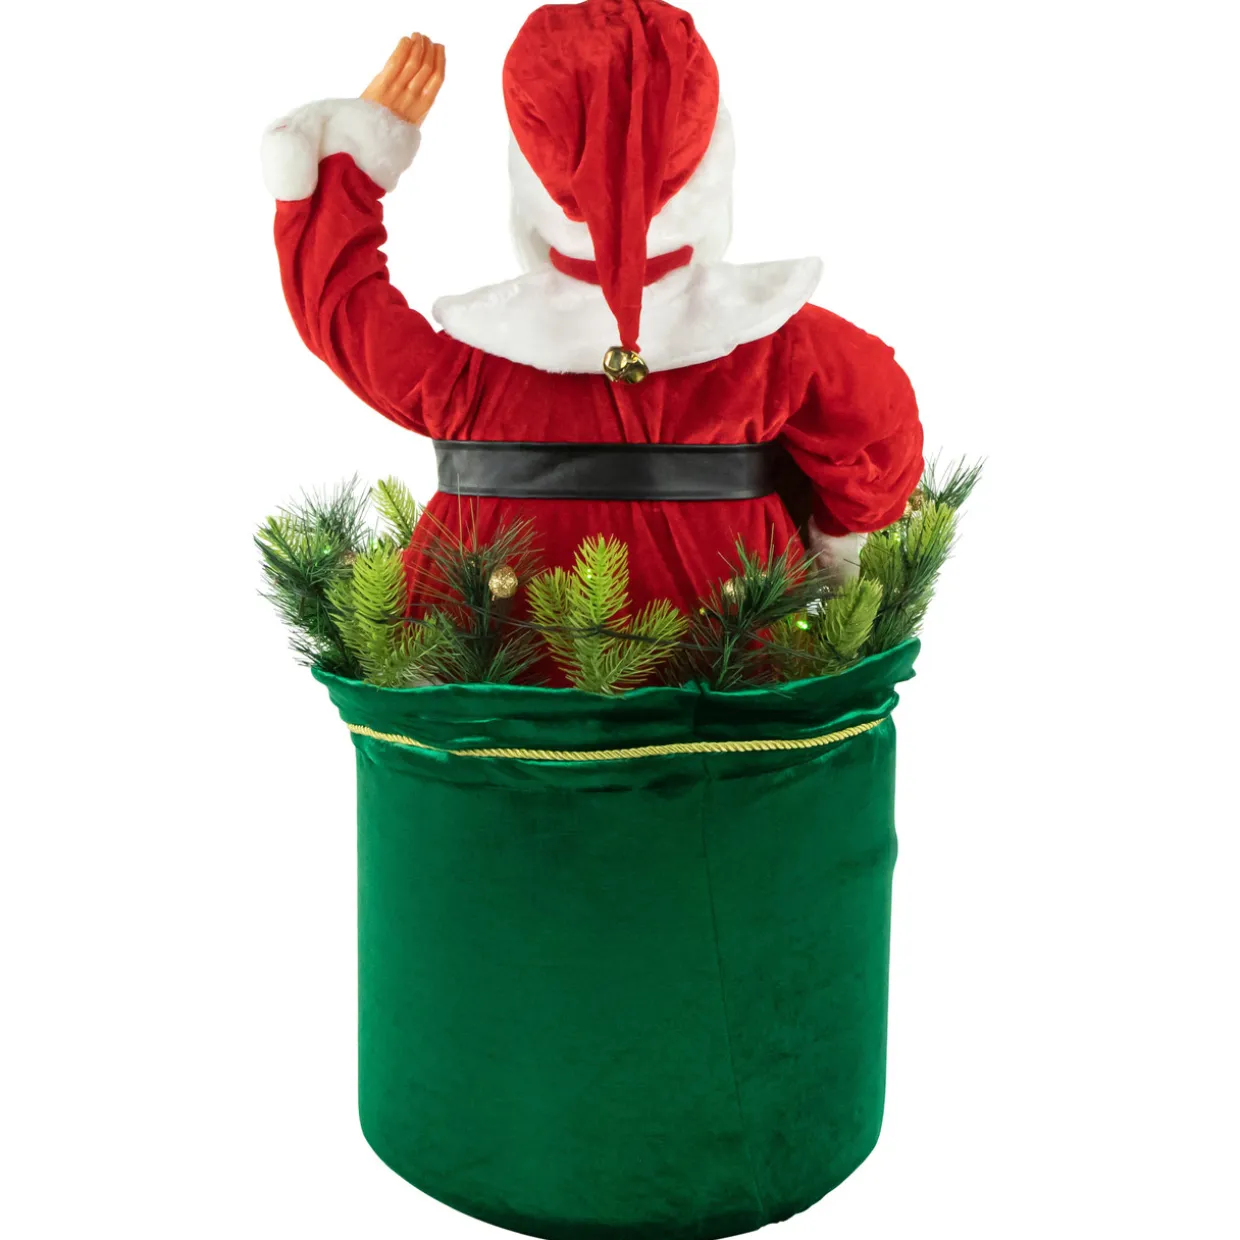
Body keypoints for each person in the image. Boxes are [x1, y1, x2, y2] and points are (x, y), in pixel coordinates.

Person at [262, 0, 923, 684]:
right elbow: (875, 421)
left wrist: (347, 172)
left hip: (486, 675)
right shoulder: (774, 348)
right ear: (713, 165)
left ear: (529, 179)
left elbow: (343, 315)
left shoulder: (475, 371)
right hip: (730, 666)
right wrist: (834, 546)